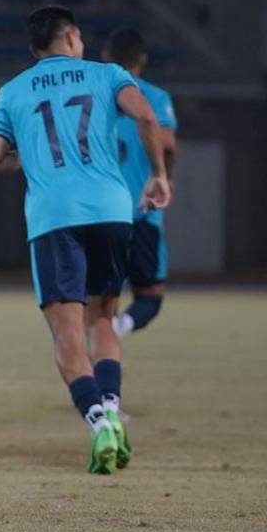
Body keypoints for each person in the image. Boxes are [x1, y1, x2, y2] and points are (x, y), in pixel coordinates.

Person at [0, 6, 171, 474]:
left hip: (53, 217)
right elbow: (146, 118)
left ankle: (100, 421)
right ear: (74, 37)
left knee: (67, 333)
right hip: (110, 210)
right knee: (103, 315)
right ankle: (112, 408)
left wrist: (26, 162)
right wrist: (158, 176)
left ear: (35, 49)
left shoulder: (13, 91)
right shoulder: (107, 74)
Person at [102, 28, 178, 337]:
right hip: (143, 210)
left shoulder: (94, 97)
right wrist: (163, 177)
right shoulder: (155, 98)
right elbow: (169, 144)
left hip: (100, 213)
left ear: (105, 57)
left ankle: (100, 345)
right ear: (142, 59)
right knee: (150, 296)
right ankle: (121, 329)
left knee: (100, 300)